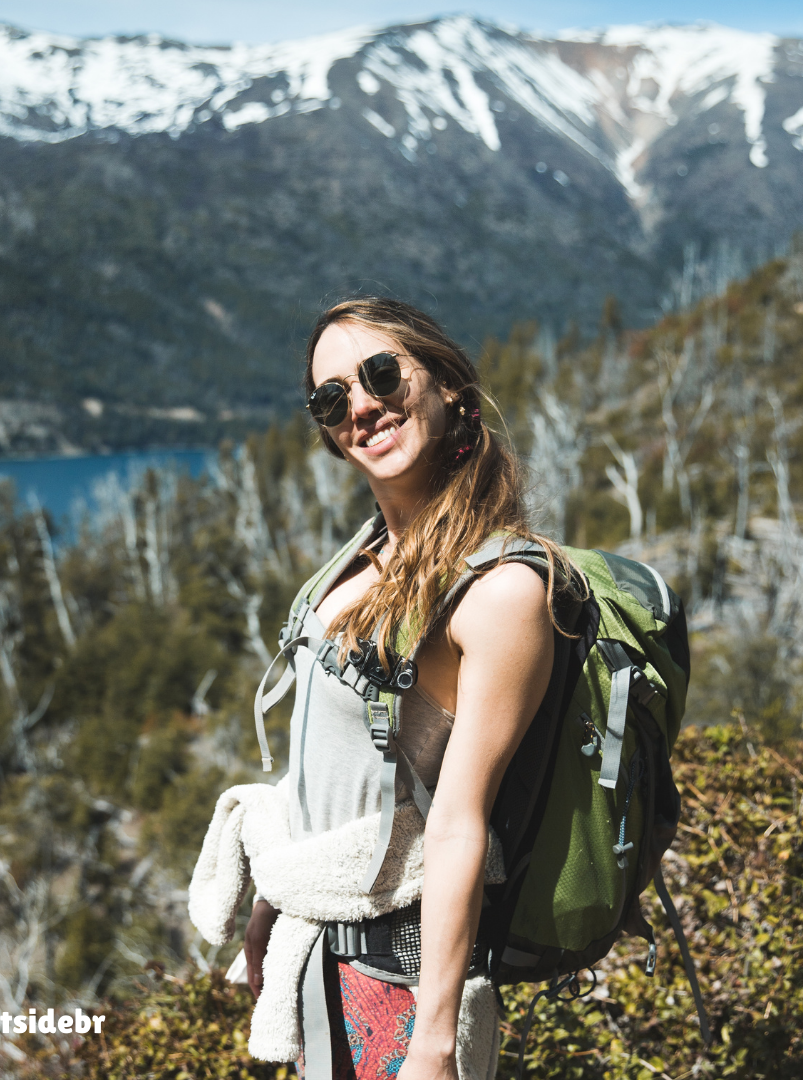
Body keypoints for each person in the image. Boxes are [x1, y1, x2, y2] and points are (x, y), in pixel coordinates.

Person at [239, 297, 573, 1080]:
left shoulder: (500, 591)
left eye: (381, 373)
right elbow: (338, 763)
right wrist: (273, 896)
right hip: (319, 960)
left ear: (448, 384)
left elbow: (459, 823)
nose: (360, 406)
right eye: (330, 400)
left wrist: (432, 1043)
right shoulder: (361, 559)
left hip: (399, 985)